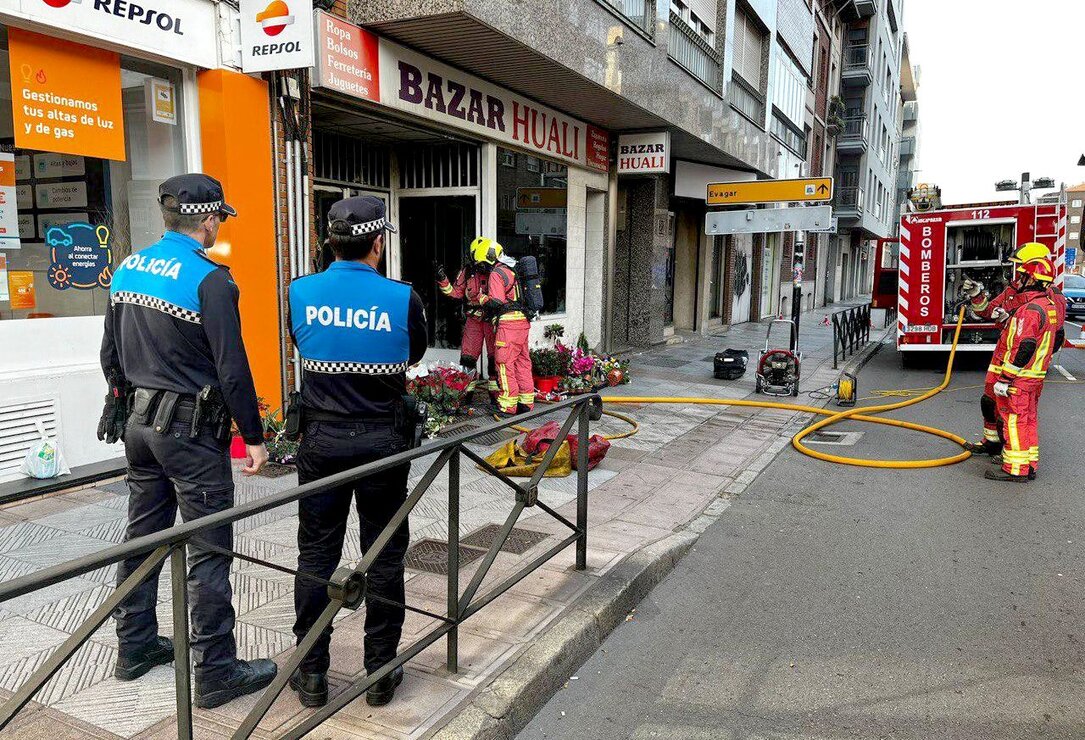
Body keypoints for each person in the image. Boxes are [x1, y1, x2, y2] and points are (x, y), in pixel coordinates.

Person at [99, 173, 276, 709]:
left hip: (139, 427)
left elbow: (109, 351)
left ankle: (133, 648)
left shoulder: (128, 267)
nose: (218, 225)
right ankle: (217, 671)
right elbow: (233, 368)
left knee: (142, 538)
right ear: (208, 219)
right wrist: (255, 436)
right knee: (208, 551)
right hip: (191, 435)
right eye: (218, 217)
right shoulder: (211, 280)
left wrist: (118, 399)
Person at [288, 195, 427, 708]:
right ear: (377, 242)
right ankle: (380, 669)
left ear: (329, 241)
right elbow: (412, 353)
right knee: (384, 554)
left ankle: (312, 673)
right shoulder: (402, 297)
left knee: (317, 555)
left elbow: (300, 344)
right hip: (383, 445)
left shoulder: (300, 292)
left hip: (320, 442)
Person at [961, 242, 1051, 456]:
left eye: (1021, 269)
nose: (1017, 274)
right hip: (1003, 356)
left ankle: (1013, 456)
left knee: (1014, 414)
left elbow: (1049, 334)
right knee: (989, 402)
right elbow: (989, 310)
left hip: (1022, 365)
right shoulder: (1015, 289)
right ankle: (991, 442)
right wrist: (977, 296)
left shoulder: (1047, 297)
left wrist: (1026, 366)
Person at [985, 256, 1063, 483]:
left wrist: (1006, 377)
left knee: (1014, 421)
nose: (1018, 280)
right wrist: (1009, 317)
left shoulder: (1029, 309)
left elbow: (1025, 345)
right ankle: (1029, 464)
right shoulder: (1046, 306)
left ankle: (1015, 468)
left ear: (1031, 278)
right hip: (1034, 378)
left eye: (1022, 276)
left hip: (1019, 378)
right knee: (1028, 420)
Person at [476, 238, 534, 416]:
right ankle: (526, 403)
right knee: (522, 362)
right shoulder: (513, 270)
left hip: (507, 326)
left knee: (504, 364)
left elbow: (496, 301)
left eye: (482, 263)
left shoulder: (496, 273)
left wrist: (481, 298)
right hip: (522, 323)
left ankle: (507, 406)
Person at [436, 239, 499, 397]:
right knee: (468, 356)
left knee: (495, 355)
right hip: (474, 320)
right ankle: (468, 391)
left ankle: (495, 391)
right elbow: (455, 292)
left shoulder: (498, 270)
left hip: (492, 319)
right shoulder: (468, 271)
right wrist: (442, 279)